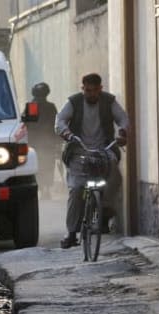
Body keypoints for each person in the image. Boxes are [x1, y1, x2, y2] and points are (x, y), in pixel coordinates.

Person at [55, 73, 130, 249]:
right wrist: (67, 133)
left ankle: (104, 211)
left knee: (114, 177)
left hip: (104, 150)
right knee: (76, 189)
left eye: (94, 91)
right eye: (87, 91)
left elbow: (123, 119)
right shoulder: (73, 102)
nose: (91, 94)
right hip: (78, 151)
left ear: (100, 89)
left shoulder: (109, 101)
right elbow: (60, 121)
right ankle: (71, 232)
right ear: (83, 89)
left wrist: (122, 132)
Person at [28, 82, 60, 199]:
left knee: (39, 167)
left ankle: (42, 189)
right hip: (47, 143)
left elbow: (28, 126)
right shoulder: (50, 106)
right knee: (47, 166)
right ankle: (45, 189)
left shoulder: (32, 106)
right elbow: (56, 125)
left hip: (36, 143)